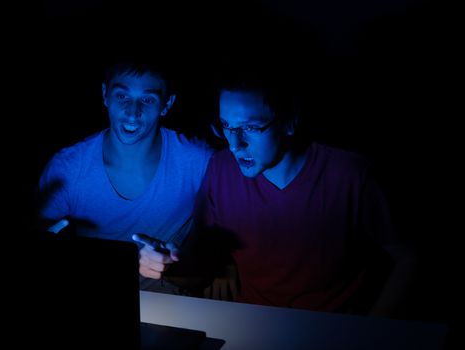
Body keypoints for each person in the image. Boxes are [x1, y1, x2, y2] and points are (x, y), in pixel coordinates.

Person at [139, 69, 418, 317]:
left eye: (250, 127)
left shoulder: (350, 175)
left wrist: (373, 330)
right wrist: (168, 264)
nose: (235, 144)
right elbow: (202, 265)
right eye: (226, 126)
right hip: (257, 326)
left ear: (289, 121)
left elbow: (409, 257)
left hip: (337, 330)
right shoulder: (221, 169)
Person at [36, 57, 214, 294]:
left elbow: (233, 228)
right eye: (122, 96)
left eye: (148, 100)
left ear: (167, 103)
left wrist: (223, 261)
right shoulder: (66, 168)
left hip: (174, 308)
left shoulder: (198, 161)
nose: (133, 112)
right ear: (105, 95)